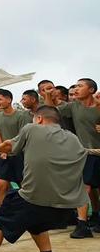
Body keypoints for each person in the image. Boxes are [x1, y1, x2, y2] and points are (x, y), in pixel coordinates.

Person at [0, 106, 88, 252]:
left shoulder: (32, 129)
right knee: (36, 223)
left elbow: (8, 146)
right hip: (65, 206)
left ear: (39, 119)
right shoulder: (73, 138)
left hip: (32, 198)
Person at [44, 78, 100, 237]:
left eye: (80, 86)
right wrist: (48, 95)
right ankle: (82, 223)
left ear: (91, 90)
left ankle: (96, 215)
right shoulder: (73, 107)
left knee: (94, 188)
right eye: (75, 86)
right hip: (86, 153)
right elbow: (49, 111)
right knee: (85, 187)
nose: (76, 89)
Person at [0, 89, 30, 208]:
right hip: (5, 155)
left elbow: (22, 135)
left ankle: (26, 211)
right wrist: (1, 149)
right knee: (0, 185)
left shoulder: (21, 115)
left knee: (23, 185)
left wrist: (9, 148)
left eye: (0, 99)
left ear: (9, 99)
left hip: (19, 155)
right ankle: (1, 211)